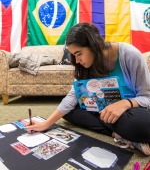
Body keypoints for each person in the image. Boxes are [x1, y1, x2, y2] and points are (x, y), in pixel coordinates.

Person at [26, 22, 150, 155]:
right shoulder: (85, 66)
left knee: (144, 124)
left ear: (94, 45)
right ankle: (118, 133)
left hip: (129, 112)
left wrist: (125, 103)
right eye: (73, 55)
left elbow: (146, 97)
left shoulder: (129, 55)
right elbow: (71, 97)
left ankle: (124, 132)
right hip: (101, 109)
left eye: (79, 53)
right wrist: (46, 124)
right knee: (69, 110)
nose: (77, 60)